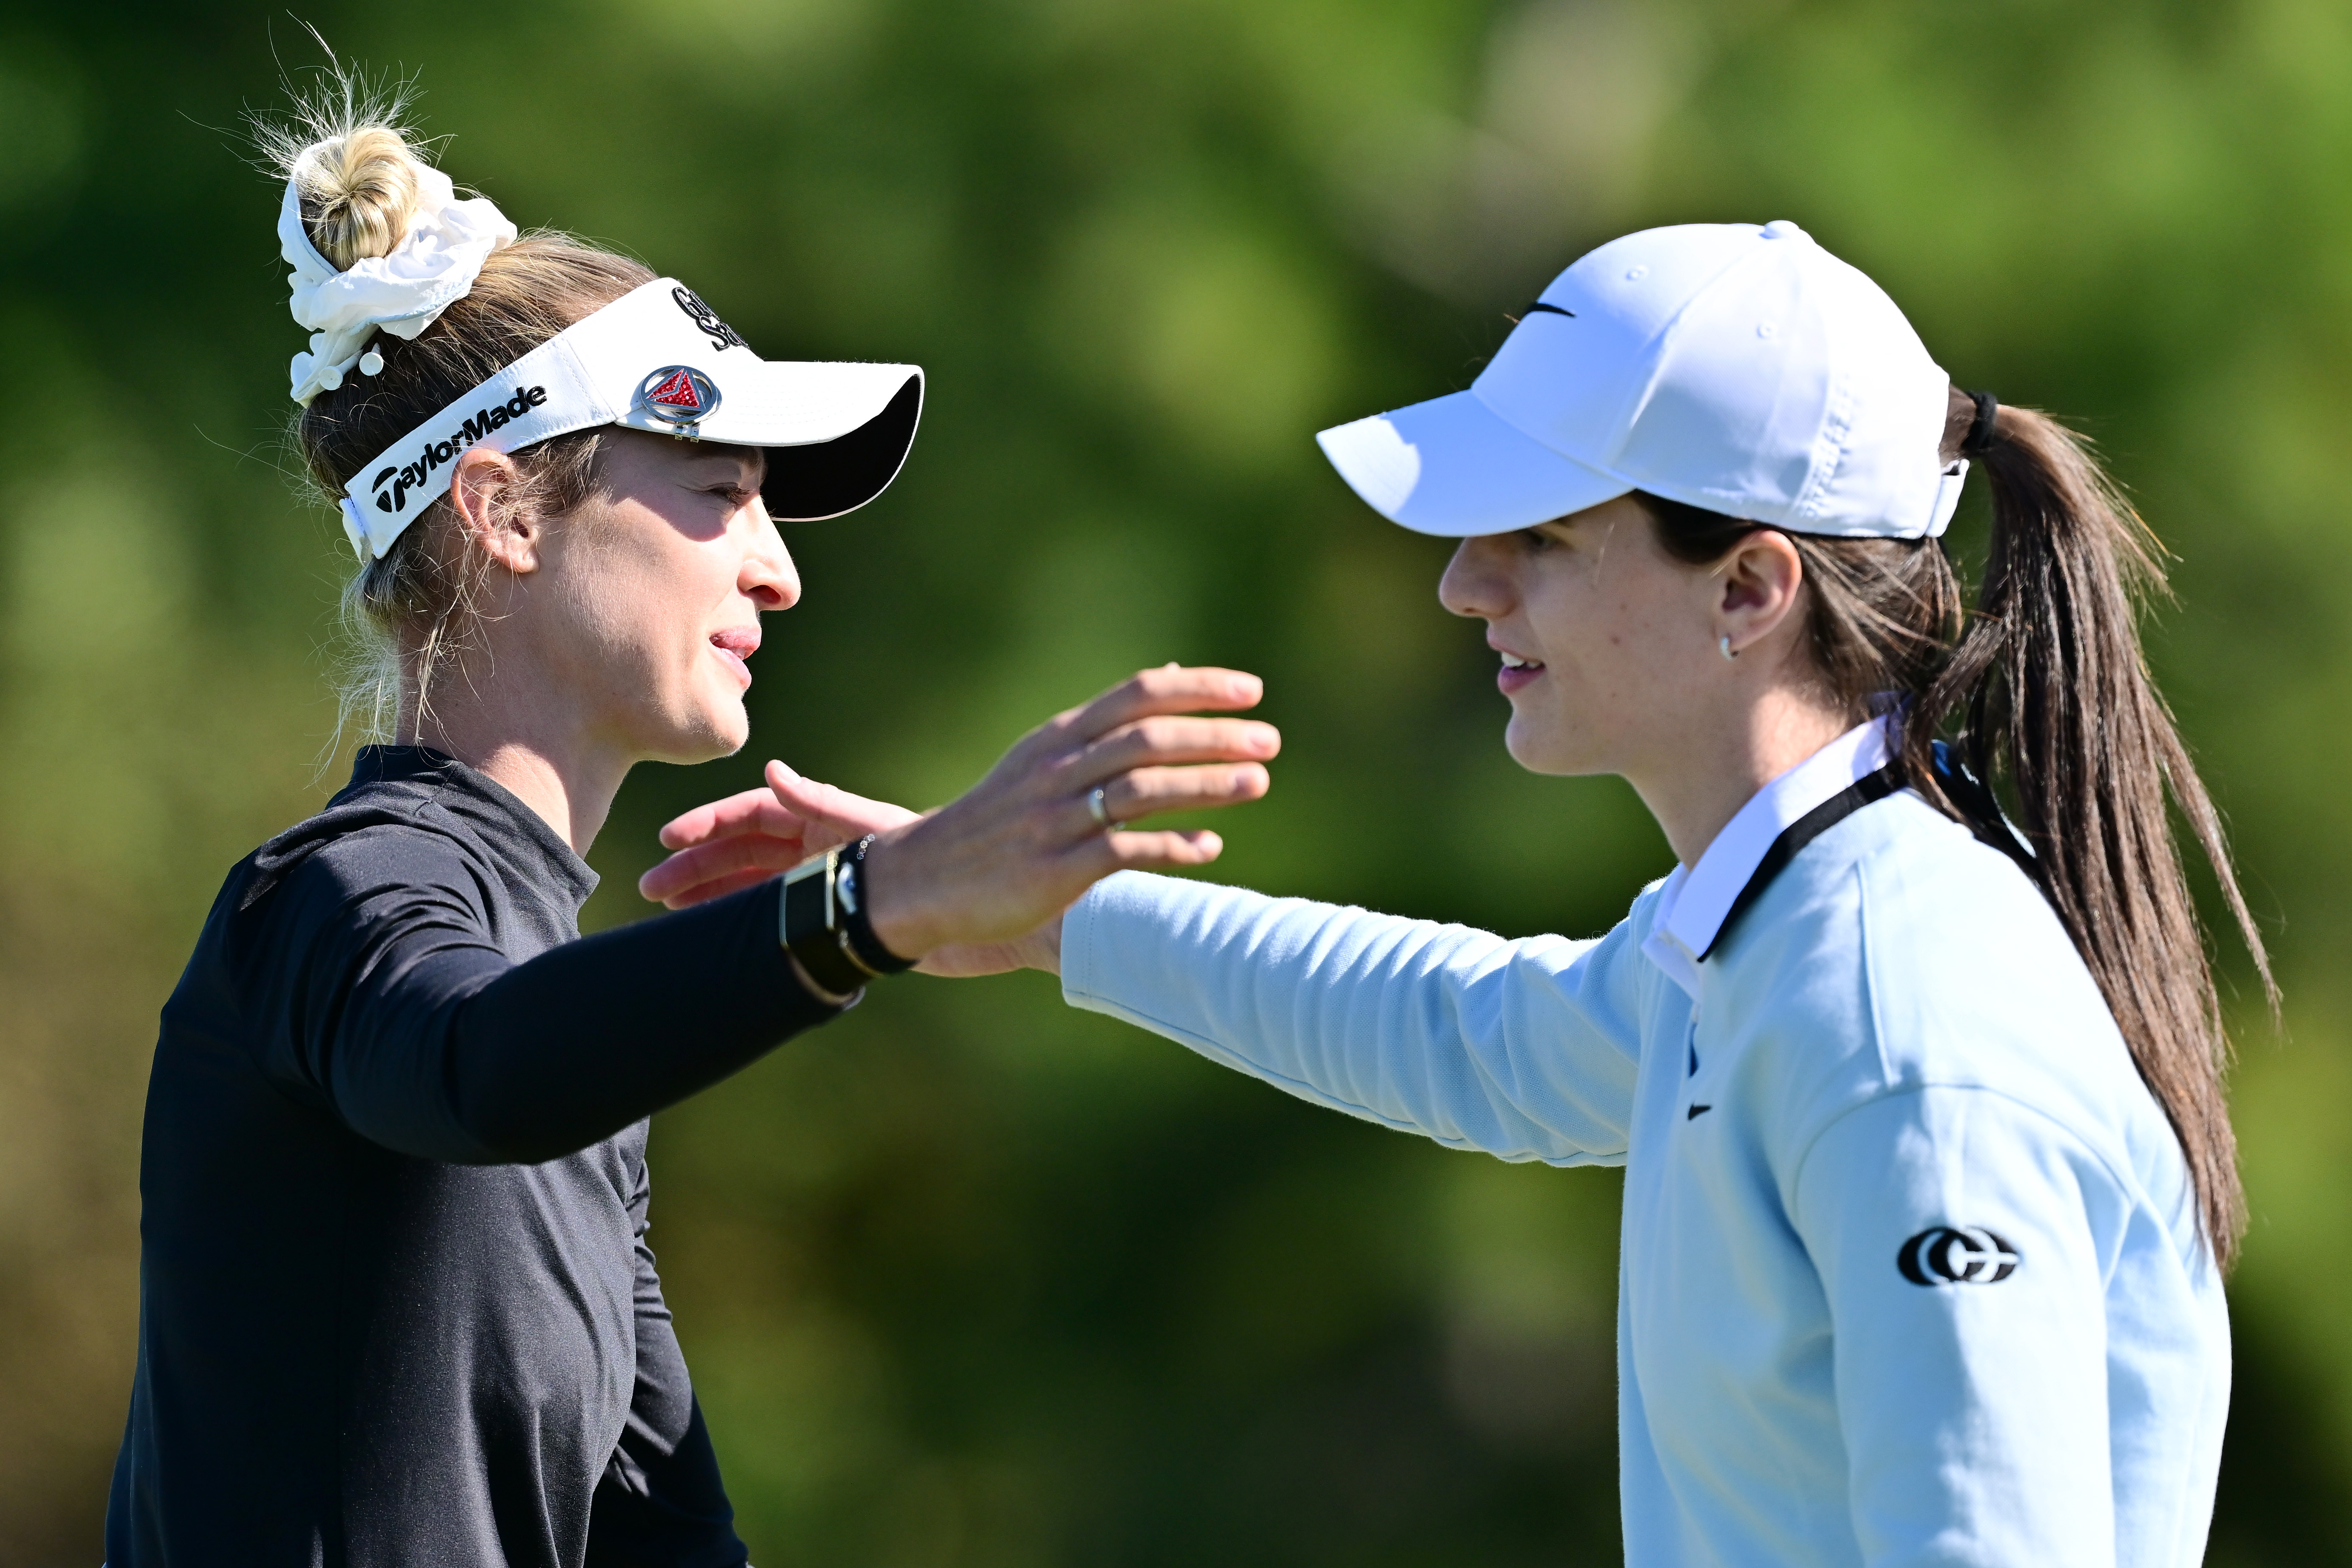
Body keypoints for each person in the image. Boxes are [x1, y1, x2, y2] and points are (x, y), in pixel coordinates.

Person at [651, 220, 2273, 1565]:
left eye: (1542, 539)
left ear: (1749, 588)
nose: (1461, 581)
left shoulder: (1896, 1011)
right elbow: (1481, 1037)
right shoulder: (1781, 925)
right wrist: (1037, 913)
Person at [105, 103, 1281, 1568]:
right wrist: (881, 899)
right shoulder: (333, 895)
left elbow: (678, 1545)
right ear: (503, 513)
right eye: (721, 493)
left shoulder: (567, 1033)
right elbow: (478, 1068)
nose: (780, 572)